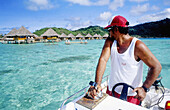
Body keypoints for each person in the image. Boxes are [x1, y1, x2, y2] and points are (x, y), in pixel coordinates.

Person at [88, 15, 162, 105]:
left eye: (109, 30)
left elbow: (156, 66)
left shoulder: (137, 45)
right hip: (111, 90)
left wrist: (144, 88)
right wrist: (97, 84)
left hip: (132, 94)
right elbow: (103, 60)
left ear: (116, 30)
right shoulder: (110, 42)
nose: (109, 33)